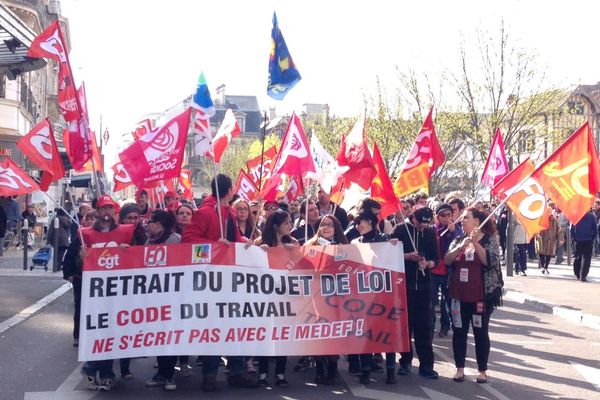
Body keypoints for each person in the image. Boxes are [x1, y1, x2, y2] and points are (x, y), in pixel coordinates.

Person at [182, 174, 256, 391]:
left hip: (231, 279)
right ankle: (210, 374)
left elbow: (232, 241)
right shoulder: (205, 213)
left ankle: (235, 370)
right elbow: (189, 241)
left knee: (233, 326)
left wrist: (247, 243)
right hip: (210, 281)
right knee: (213, 327)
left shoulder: (231, 213)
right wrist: (213, 244)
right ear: (230, 190)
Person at [79, 195, 134, 391]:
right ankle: (94, 368)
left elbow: (136, 259)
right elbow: (79, 265)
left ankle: (103, 371)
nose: (106, 213)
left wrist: (128, 250)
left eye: (110, 208)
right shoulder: (85, 234)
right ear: (97, 210)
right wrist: (82, 257)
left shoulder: (126, 232)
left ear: (115, 211)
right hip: (94, 293)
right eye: (103, 208)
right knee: (98, 333)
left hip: (118, 291)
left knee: (112, 332)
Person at [444, 207, 503, 384]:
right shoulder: (459, 239)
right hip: (459, 296)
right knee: (459, 332)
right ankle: (460, 369)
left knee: (480, 333)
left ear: (476, 221)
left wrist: (475, 243)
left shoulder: (490, 239)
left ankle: (482, 371)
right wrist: (461, 247)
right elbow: (447, 260)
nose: (461, 221)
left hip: (480, 297)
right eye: (461, 218)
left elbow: (490, 261)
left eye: (465, 218)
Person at [389, 206, 439, 380]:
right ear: (414, 219)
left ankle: (426, 365)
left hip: (424, 286)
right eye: (420, 224)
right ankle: (405, 361)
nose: (422, 227)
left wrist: (428, 264)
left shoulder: (430, 233)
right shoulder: (401, 229)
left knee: (424, 327)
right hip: (404, 285)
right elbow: (388, 253)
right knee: (405, 326)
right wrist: (406, 256)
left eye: (426, 224)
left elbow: (436, 258)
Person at [253, 209, 298, 387]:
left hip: (285, 299)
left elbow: (302, 267)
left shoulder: (293, 243)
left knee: (282, 336)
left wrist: (294, 252)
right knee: (264, 336)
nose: (290, 226)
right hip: (264, 300)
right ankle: (263, 373)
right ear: (275, 226)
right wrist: (259, 252)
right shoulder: (260, 243)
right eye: (286, 223)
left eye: (290, 222)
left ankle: (280, 373)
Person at [349, 210, 394, 384]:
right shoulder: (355, 243)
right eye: (356, 222)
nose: (357, 226)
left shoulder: (385, 240)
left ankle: (391, 370)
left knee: (388, 333)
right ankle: (365, 370)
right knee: (365, 333)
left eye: (361, 222)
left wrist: (394, 246)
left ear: (371, 222)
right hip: (363, 296)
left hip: (384, 295)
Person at [305, 215, 348, 384]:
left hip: (337, 297)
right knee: (319, 332)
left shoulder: (344, 246)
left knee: (334, 332)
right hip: (317, 296)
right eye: (323, 225)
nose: (326, 228)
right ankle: (319, 367)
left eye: (330, 225)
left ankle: (332, 366)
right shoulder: (310, 245)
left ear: (336, 227)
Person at [144, 210, 181, 391]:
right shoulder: (148, 242)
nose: (147, 224)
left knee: (171, 336)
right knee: (159, 337)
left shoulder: (175, 241)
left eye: (150, 221)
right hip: (154, 298)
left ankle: (169, 374)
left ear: (159, 225)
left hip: (172, 298)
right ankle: (161, 373)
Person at [62, 209, 97, 347]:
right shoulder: (79, 238)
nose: (90, 221)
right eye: (88, 218)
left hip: (96, 278)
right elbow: (69, 257)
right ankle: (78, 335)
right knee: (80, 307)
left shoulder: (101, 237)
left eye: (93, 218)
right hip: (81, 277)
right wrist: (69, 274)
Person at [432, 203, 462, 338]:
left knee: (448, 302)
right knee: (431, 302)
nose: (447, 218)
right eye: (443, 215)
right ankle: (430, 326)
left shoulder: (456, 229)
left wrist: (453, 231)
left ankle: (447, 326)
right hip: (433, 271)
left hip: (448, 272)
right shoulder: (433, 230)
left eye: (449, 215)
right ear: (437, 216)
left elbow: (459, 243)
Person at [571, 210, 597, 282]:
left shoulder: (576, 216)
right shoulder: (591, 216)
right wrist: (592, 237)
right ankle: (583, 275)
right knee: (586, 258)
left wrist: (575, 237)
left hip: (579, 240)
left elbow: (572, 229)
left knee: (578, 257)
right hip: (588, 239)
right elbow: (595, 229)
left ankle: (577, 273)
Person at [537, 206, 560, 274]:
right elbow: (538, 227)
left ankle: (545, 267)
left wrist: (558, 236)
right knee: (541, 252)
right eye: (548, 211)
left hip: (551, 239)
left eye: (550, 211)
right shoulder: (541, 218)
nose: (549, 212)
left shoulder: (554, 219)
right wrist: (537, 234)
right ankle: (543, 266)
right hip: (543, 238)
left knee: (549, 254)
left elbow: (558, 228)